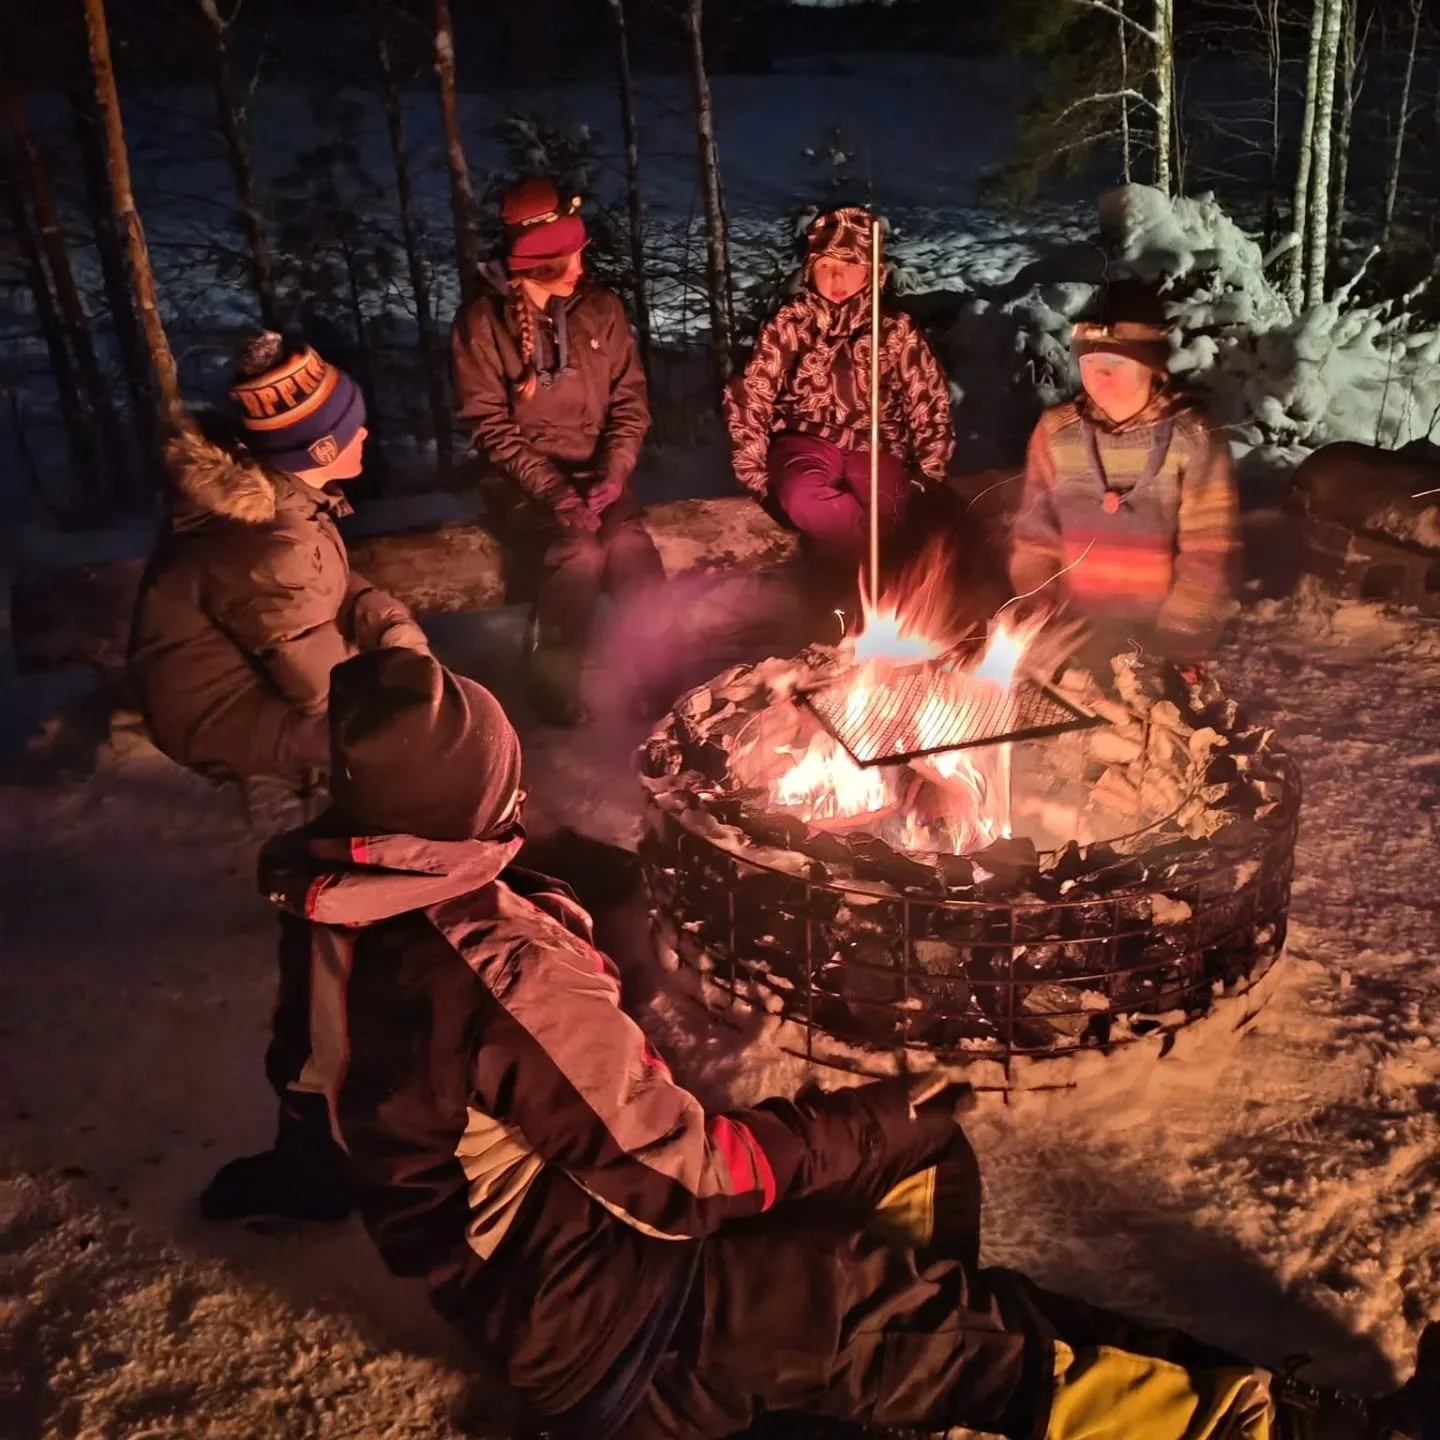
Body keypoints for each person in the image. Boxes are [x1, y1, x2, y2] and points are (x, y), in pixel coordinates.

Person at [254, 646, 1433, 1440]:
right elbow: (683, 1176)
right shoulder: (493, 966)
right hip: (608, 1325)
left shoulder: (344, 908)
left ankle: (900, 1375)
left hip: (564, 1257)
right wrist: (867, 1116)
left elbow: (312, 1088)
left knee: (920, 1166)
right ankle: (1272, 1422)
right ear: (479, 794)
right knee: (914, 1304)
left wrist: (303, 1175)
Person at [129, 331, 429, 806]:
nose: (366, 433)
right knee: (396, 740)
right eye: (353, 427)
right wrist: (397, 695)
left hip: (244, 680)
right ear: (321, 449)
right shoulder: (270, 537)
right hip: (215, 716)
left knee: (407, 702)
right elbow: (321, 689)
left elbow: (323, 585)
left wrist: (384, 621)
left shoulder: (286, 501)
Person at [451, 178, 664, 727]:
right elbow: (489, 425)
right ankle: (552, 688)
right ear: (536, 266)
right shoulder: (483, 324)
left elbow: (630, 401)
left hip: (597, 472)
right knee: (578, 554)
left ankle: (663, 680)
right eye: (565, 260)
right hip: (524, 480)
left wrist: (614, 473)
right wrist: (553, 491)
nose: (579, 268)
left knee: (629, 544)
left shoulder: (602, 310)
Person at [1009, 279, 1239, 666]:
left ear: (1151, 367)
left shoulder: (1193, 438)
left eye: (1115, 365)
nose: (1100, 377)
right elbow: (1035, 538)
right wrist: (1042, 616)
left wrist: (1176, 639)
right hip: (1072, 633)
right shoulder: (1056, 432)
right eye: (1089, 364)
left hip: (1158, 640)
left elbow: (1208, 553)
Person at [725, 205, 955, 589]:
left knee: (892, 507)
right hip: (805, 441)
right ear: (810, 269)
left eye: (849, 264)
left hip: (878, 447)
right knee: (803, 496)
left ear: (871, 270)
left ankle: (873, 591)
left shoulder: (894, 330)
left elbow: (928, 400)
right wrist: (758, 479)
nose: (836, 277)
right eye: (826, 264)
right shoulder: (791, 324)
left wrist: (927, 474)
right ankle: (875, 577)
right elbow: (752, 395)